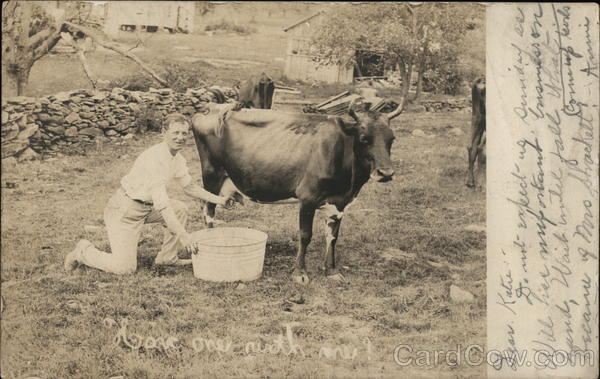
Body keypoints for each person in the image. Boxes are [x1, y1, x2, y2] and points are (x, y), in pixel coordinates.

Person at [65, 113, 232, 274]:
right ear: (163, 133)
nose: (180, 137)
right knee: (124, 268)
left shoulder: (177, 158)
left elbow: (189, 187)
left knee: (180, 208)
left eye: (184, 133)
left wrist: (220, 200)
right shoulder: (155, 158)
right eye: (175, 132)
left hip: (147, 208)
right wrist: (183, 236)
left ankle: (167, 257)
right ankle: (83, 251)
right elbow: (163, 205)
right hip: (124, 211)